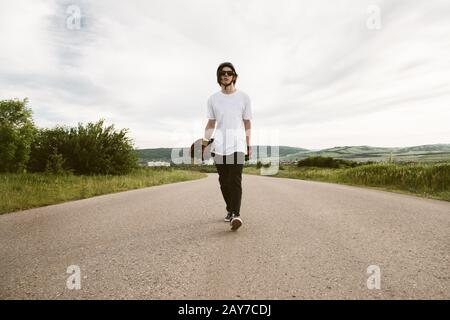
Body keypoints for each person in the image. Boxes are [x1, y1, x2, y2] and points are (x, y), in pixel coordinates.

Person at [203, 62, 252, 231]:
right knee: (224, 182)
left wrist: (248, 144)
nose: (225, 75)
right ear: (219, 77)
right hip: (219, 145)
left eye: (229, 72)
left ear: (234, 76)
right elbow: (211, 123)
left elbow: (247, 123)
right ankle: (230, 209)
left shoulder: (244, 97)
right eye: (222, 73)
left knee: (235, 180)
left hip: (238, 144)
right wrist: (204, 142)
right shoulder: (213, 99)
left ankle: (236, 215)